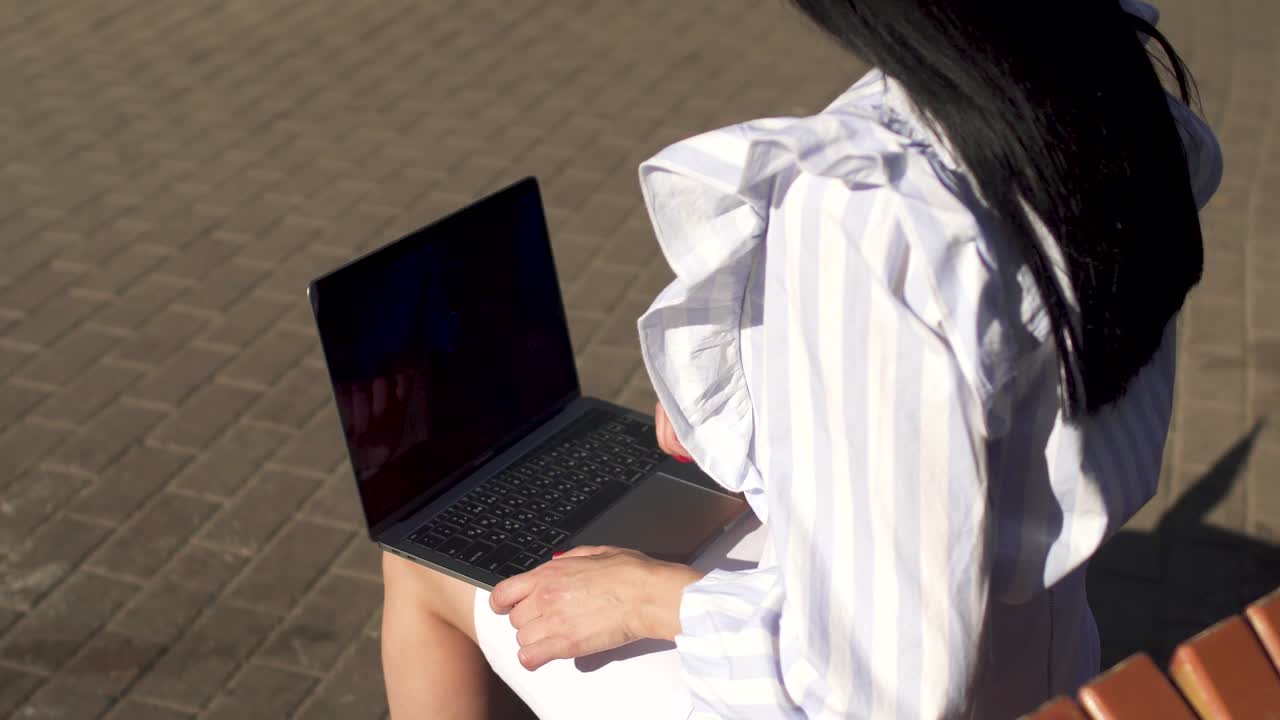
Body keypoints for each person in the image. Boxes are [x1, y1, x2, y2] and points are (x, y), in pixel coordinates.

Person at [379, 0, 1223, 716]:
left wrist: (643, 598)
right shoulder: (1098, 85)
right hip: (1044, 664)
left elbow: (882, 689)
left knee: (420, 569)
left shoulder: (872, 205)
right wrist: (774, 394)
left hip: (847, 684)